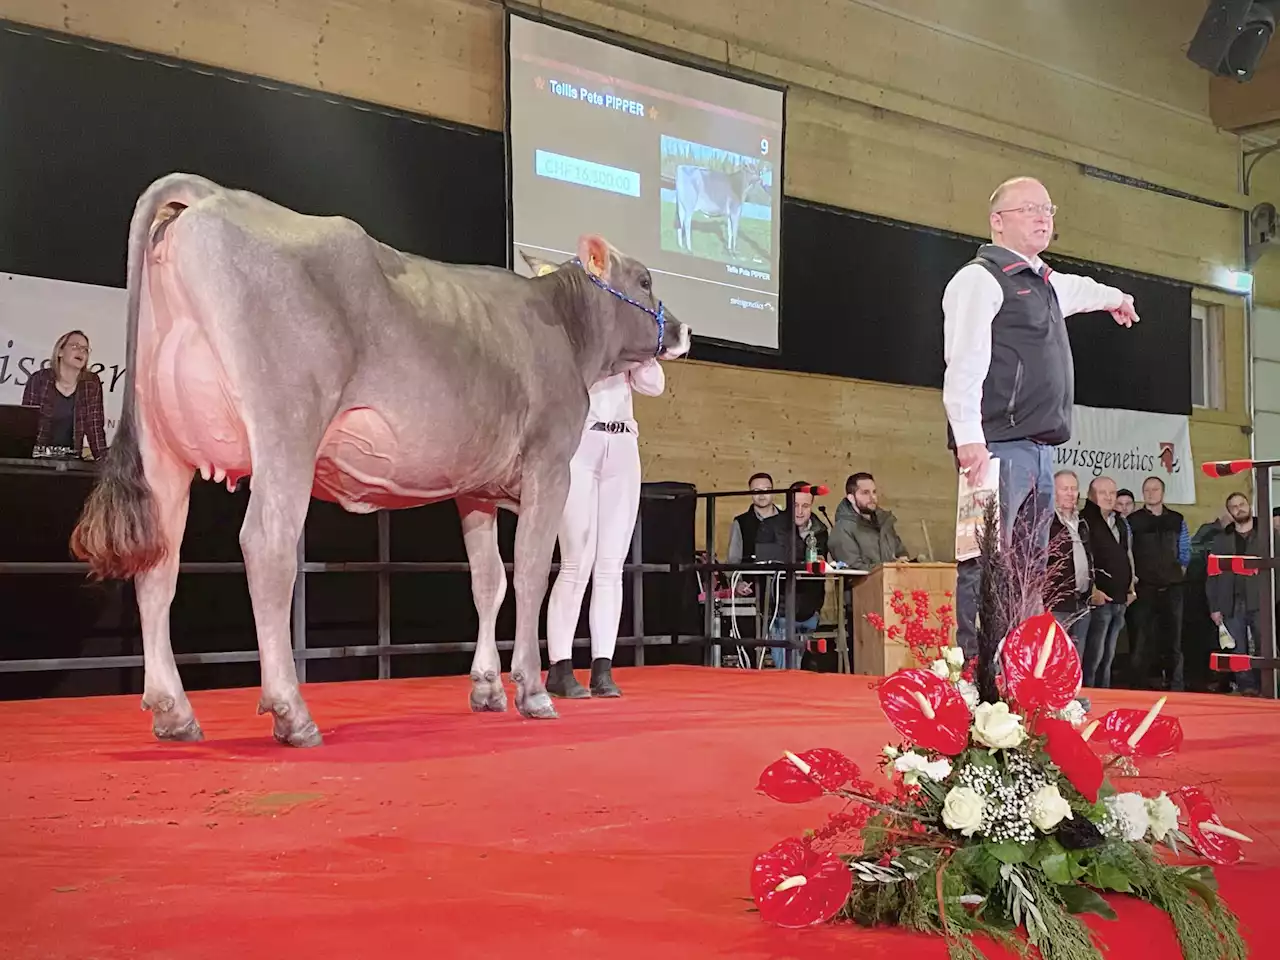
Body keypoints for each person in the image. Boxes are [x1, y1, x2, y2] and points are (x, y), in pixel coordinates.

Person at [941, 176, 1139, 657]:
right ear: (997, 222)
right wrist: (968, 437)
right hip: (995, 446)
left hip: (1040, 450)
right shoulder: (979, 279)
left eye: (1048, 209)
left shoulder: (1044, 283)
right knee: (986, 558)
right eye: (1028, 208)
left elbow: (1084, 289)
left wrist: (1117, 298)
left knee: (1031, 563)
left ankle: (1020, 675)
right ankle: (979, 674)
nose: (1042, 217)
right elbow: (963, 360)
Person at [544, 358, 666, 700]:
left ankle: (603, 668)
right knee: (575, 563)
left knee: (611, 566)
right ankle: (560, 667)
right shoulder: (587, 336)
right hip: (582, 441)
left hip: (624, 443)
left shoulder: (629, 347)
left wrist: (642, 353)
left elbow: (654, 385)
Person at [754, 482, 829, 670]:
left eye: (805, 506)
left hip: (810, 606)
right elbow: (765, 561)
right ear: (788, 503)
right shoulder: (770, 527)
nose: (800, 511)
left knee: (801, 663)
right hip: (779, 607)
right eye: (795, 505)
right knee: (787, 667)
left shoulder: (820, 530)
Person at [1127, 476, 1190, 690]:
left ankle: (1176, 685)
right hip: (1144, 589)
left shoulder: (1177, 519)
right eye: (1147, 490)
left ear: (1163, 493)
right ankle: (1140, 687)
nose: (1151, 493)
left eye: (1155, 489)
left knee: (1174, 640)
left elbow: (1185, 551)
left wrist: (1178, 571)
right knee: (1141, 640)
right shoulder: (1132, 521)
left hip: (1173, 588)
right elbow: (1127, 550)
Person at [1206, 492, 1265, 696]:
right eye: (1234, 506)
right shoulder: (1221, 540)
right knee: (1238, 650)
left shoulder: (1268, 535)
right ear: (1229, 512)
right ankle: (1247, 689)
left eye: (1242, 504)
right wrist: (1214, 607)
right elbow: (1212, 575)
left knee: (1264, 648)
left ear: (1249, 506)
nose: (1239, 508)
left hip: (1261, 601)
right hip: (1230, 600)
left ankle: (1266, 687)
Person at [1080, 476, 1135, 688]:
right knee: (1093, 656)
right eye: (1103, 493)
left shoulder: (1120, 521)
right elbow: (1086, 556)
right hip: (1099, 598)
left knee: (1109, 656)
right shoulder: (1084, 520)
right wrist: (1093, 589)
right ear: (1091, 496)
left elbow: (1126, 554)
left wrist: (1131, 587)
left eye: (1112, 493)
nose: (1108, 497)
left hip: (1120, 599)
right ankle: (1090, 696)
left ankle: (1105, 696)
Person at [21, 329, 108, 460]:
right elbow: (27, 425)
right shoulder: (39, 379)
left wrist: (104, 463)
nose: (81, 351)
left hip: (71, 460)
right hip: (38, 458)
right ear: (60, 352)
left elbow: (94, 427)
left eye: (85, 349)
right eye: (75, 346)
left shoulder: (91, 383)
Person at [1045, 470, 1094, 658]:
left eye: (1074, 489)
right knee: (1054, 660)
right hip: (1056, 606)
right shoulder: (1046, 522)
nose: (1070, 493)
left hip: (1081, 603)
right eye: (1064, 489)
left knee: (1076, 660)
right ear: (1053, 492)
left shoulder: (1081, 523)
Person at [829, 471, 911, 570]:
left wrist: (903, 559)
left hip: (892, 583)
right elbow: (851, 567)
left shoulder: (884, 523)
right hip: (862, 585)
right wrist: (889, 568)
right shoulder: (842, 529)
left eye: (874, 492)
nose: (872, 497)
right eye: (865, 493)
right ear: (851, 498)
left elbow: (900, 551)